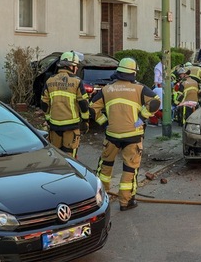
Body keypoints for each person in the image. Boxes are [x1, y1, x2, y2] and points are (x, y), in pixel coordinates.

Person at [90, 57, 161, 211]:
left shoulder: (107, 89)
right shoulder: (140, 89)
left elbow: (92, 109)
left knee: (105, 167)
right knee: (130, 168)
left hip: (112, 135)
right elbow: (155, 102)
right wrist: (142, 117)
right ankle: (126, 202)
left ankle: (102, 198)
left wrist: (105, 122)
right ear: (133, 73)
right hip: (133, 135)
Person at [41, 51, 90, 158]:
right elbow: (84, 104)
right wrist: (85, 121)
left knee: (56, 157)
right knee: (69, 158)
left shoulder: (50, 80)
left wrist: (49, 119)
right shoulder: (76, 81)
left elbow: (44, 104)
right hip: (71, 126)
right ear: (70, 66)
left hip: (54, 126)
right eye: (75, 66)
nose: (77, 69)